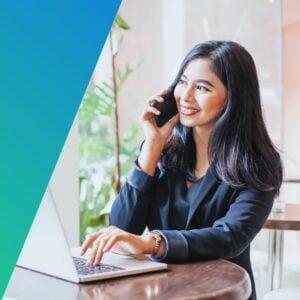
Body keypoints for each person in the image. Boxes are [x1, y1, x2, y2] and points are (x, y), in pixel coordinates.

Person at [81, 40, 283, 300]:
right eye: (183, 82)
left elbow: (231, 236)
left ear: (232, 97)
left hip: (219, 294)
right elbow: (122, 226)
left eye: (201, 87)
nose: (185, 96)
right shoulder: (163, 150)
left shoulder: (258, 164)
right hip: (160, 292)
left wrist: (153, 243)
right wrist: (152, 147)